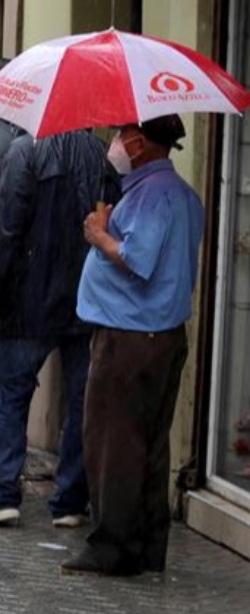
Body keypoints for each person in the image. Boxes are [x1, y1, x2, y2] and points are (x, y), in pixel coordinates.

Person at [62, 115, 203, 576]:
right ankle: (145, 546)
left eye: (122, 135)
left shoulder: (152, 194)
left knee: (113, 444)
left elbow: (137, 259)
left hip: (129, 339)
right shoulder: (181, 194)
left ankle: (113, 547)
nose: (116, 143)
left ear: (139, 144)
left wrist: (99, 234)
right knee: (149, 445)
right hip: (159, 337)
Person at [0, 131, 121, 526]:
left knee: (8, 396)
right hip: (86, 302)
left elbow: (2, 230)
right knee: (83, 401)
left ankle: (2, 495)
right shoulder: (102, 157)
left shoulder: (24, 153)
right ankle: (71, 500)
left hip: (26, 301)